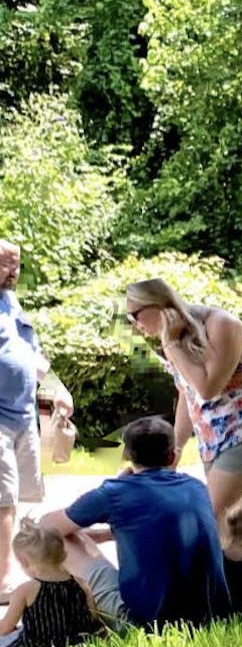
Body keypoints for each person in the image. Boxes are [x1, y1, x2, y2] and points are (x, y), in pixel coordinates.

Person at [39, 416, 231, 630]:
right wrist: (107, 534)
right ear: (172, 456)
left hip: (145, 624)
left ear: (128, 456)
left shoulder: (115, 492)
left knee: (60, 539)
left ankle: (59, 607)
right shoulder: (197, 487)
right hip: (213, 617)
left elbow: (47, 525)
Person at [124, 279, 242, 517]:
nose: (135, 324)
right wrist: (176, 448)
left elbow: (208, 389)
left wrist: (170, 345)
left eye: (135, 315)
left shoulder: (222, 325)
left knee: (209, 518)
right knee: (234, 528)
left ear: (157, 304)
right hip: (216, 441)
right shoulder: (175, 335)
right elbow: (187, 393)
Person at [0, 242, 73, 596]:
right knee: (3, 498)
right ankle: (2, 581)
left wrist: (58, 388)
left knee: (24, 497)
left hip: (23, 416)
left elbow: (30, 353)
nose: (12, 271)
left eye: (15, 265)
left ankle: (23, 568)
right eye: (4, 264)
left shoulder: (11, 300)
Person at [0, 520, 104, 646]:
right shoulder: (81, 584)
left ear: (25, 562)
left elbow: (5, 628)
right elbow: (94, 619)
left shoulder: (25, 590)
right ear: (63, 554)